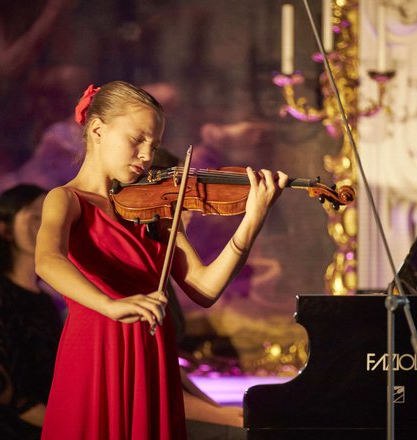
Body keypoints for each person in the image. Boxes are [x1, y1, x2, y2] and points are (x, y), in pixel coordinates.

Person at [34, 80, 287, 439]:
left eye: (152, 146)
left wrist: (252, 220)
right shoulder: (66, 200)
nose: (145, 156)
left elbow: (204, 288)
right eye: (137, 139)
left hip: (150, 359)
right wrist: (110, 305)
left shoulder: (154, 212)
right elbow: (47, 262)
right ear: (97, 130)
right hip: (94, 354)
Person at [0, 184, 63, 440]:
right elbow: (8, 397)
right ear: (5, 230)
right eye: (35, 215)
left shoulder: (46, 301)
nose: (46, 224)